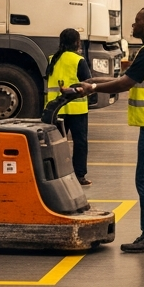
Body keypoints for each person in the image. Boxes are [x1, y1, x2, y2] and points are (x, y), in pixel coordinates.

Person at [64, 7, 144, 253]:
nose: (133, 25)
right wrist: (92, 82)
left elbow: (125, 83)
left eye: (137, 21)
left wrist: (92, 88)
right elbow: (128, 78)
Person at [45, 28, 92, 186]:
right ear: (77, 42)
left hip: (55, 110)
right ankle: (79, 175)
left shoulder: (52, 59)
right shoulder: (78, 60)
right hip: (76, 110)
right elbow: (89, 83)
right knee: (80, 143)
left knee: (56, 144)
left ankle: (55, 173)